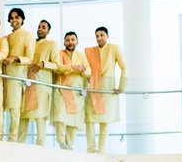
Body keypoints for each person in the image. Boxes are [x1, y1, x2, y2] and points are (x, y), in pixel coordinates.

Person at [85, 26, 128, 154]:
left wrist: (121, 87)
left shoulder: (114, 48)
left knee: (105, 120)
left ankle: (101, 150)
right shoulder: (90, 51)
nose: (99, 38)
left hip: (108, 87)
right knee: (89, 119)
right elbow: (86, 70)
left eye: (102, 35)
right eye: (97, 36)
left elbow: (124, 67)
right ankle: (91, 149)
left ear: (107, 36)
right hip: (93, 85)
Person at [18, 19, 58, 145]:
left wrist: (43, 63)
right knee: (23, 115)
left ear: (48, 31)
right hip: (27, 84)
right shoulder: (31, 43)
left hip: (42, 85)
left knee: (40, 116)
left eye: (44, 27)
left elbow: (57, 65)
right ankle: (18, 144)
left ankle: (40, 144)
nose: (40, 29)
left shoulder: (51, 44)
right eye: (39, 26)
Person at [53, 31, 89, 150]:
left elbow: (88, 72)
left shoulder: (81, 56)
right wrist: (74, 68)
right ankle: (61, 142)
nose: (70, 42)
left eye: (73, 40)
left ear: (77, 41)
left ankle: (69, 148)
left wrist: (82, 70)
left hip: (75, 93)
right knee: (60, 117)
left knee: (73, 122)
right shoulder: (59, 53)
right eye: (67, 40)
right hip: (61, 90)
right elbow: (58, 68)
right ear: (64, 42)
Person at [2, 8, 34, 142]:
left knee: (15, 109)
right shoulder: (6, 38)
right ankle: (3, 138)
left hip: (17, 77)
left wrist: (15, 58)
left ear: (22, 19)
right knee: (4, 108)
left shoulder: (28, 36)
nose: (14, 20)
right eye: (12, 18)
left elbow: (29, 58)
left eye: (17, 17)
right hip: (4, 76)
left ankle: (13, 140)